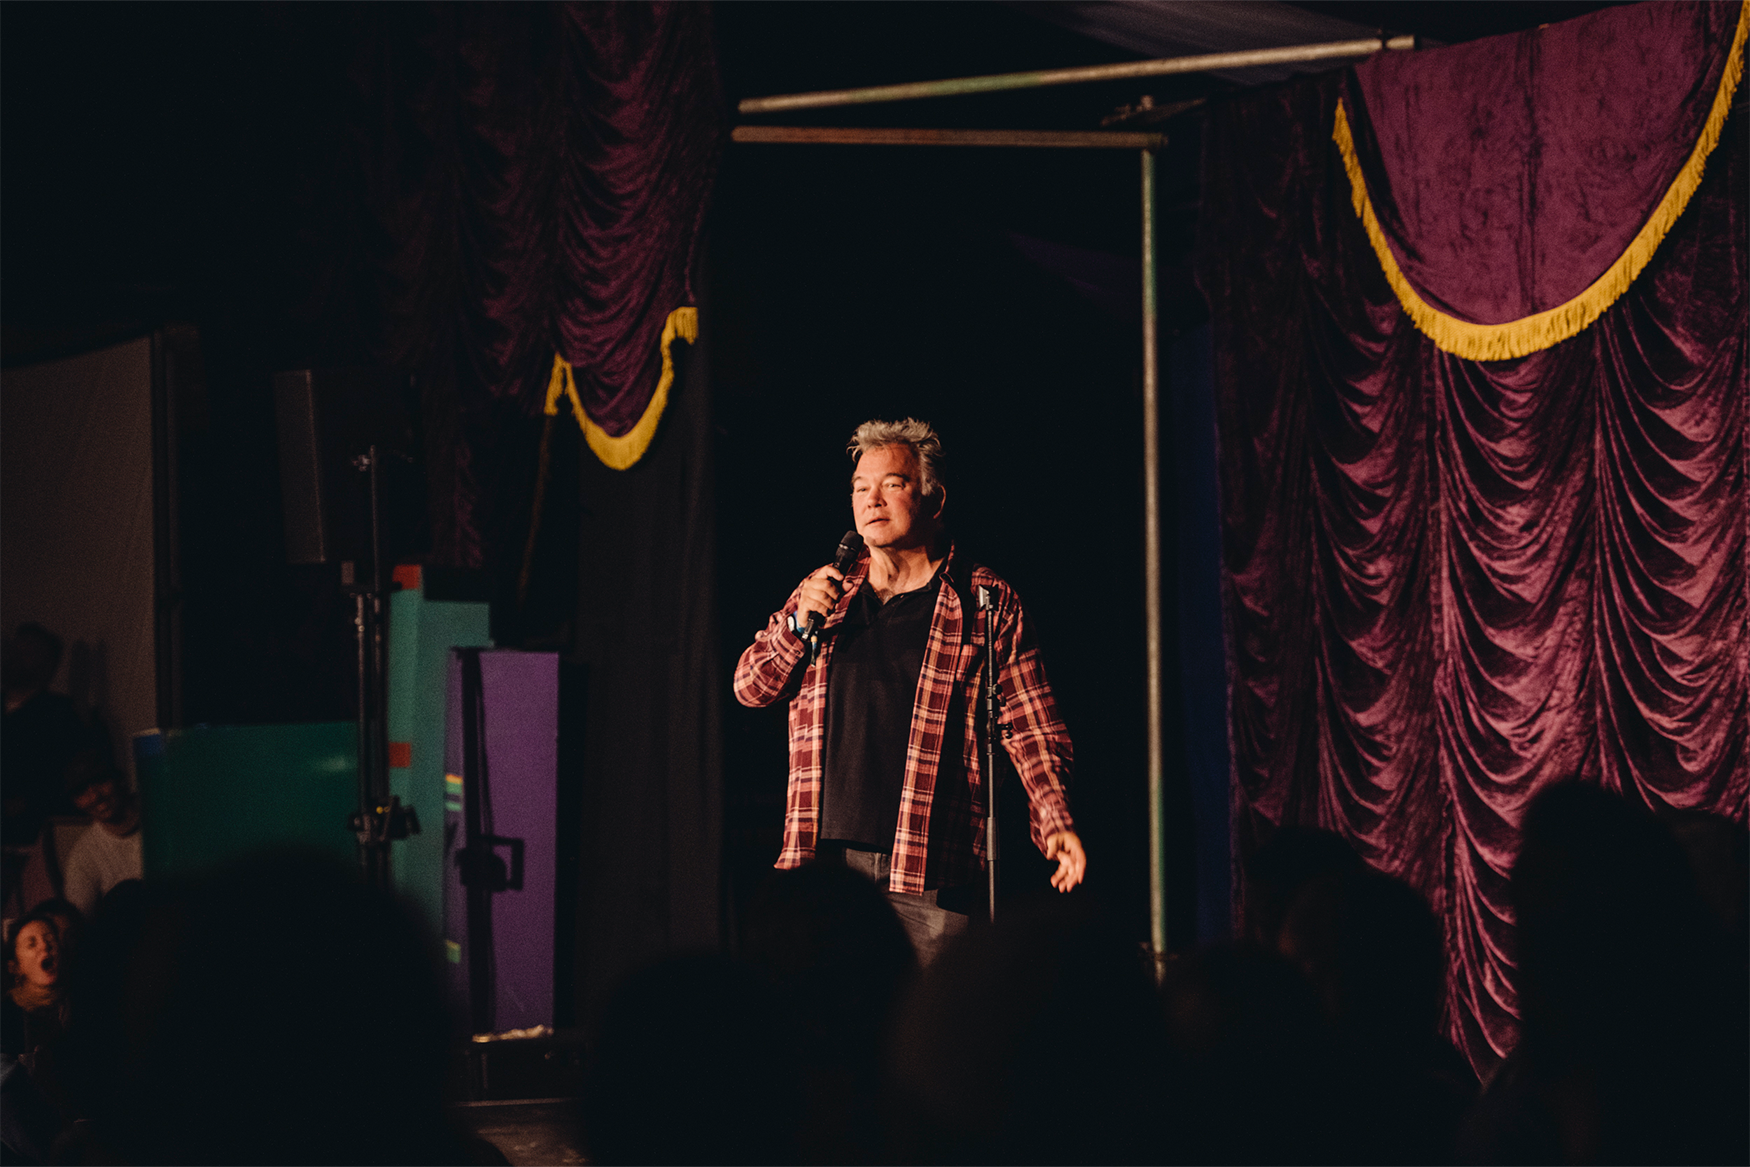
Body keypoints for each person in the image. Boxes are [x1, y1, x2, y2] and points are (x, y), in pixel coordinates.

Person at [734, 418, 1085, 964]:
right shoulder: (825, 593)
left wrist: (1054, 821)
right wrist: (797, 626)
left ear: (934, 498)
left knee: (926, 1017)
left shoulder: (983, 601)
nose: (871, 500)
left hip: (927, 870)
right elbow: (750, 688)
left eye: (891, 484)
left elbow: (1033, 728)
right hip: (823, 866)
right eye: (860, 488)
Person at [0, 625, 83, 848]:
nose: (15, 658)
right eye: (14, 650)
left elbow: (62, 779)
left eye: (27, 652)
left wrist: (24, 803)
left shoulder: (59, 716)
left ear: (48, 664)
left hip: (27, 837)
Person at [59, 752, 141, 917]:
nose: (95, 796)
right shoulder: (83, 856)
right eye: (81, 792)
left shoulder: (163, 810)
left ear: (119, 780)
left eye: (100, 781)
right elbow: (79, 920)